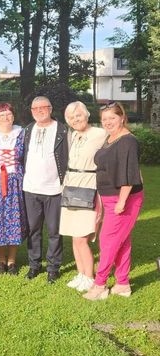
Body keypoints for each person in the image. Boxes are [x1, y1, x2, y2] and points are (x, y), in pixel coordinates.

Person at [84, 102, 144, 300]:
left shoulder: (128, 141)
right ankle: (122, 284)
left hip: (124, 198)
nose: (108, 122)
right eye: (104, 119)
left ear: (122, 117)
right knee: (121, 240)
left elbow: (130, 174)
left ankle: (100, 284)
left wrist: (122, 202)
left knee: (108, 241)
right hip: (109, 197)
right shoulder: (111, 138)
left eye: (112, 118)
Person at [59, 101, 107, 292]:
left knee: (82, 237)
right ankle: (81, 273)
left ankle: (89, 276)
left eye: (78, 115)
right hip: (71, 185)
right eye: (71, 117)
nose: (75, 119)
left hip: (89, 186)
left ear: (86, 115)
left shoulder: (99, 134)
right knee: (73, 235)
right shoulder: (73, 135)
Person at [23, 96, 69, 283]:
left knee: (54, 230)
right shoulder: (27, 130)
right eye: (35, 108)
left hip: (54, 189)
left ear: (50, 109)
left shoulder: (62, 131)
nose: (39, 111)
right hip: (31, 188)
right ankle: (34, 265)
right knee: (33, 229)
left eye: (43, 107)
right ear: (31, 111)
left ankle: (53, 267)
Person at [0, 103, 26, 275]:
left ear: (13, 116)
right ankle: (0, 260)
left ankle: (11, 261)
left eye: (8, 114)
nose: (5, 117)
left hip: (15, 181)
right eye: (1, 115)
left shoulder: (22, 134)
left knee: (14, 219)